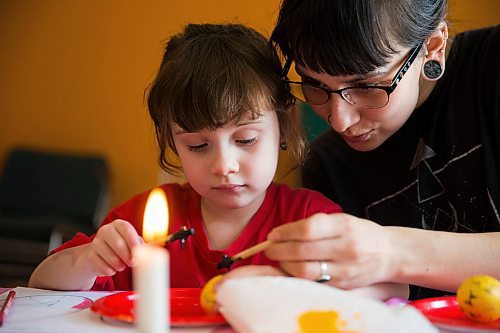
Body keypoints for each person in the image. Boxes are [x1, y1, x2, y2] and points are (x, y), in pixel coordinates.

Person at [28, 23, 354, 293]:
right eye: (198, 145)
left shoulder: (310, 219)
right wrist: (89, 260)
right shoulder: (144, 220)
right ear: (173, 142)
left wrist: (311, 281)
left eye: (245, 139)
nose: (224, 165)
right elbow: (40, 283)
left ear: (283, 126)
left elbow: (389, 290)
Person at [240, 0, 499, 300]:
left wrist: (391, 251)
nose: (339, 121)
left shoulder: (491, 67)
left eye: (365, 85)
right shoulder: (328, 166)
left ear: (433, 46)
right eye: (313, 84)